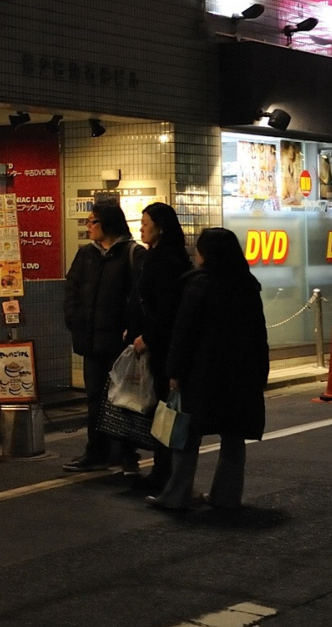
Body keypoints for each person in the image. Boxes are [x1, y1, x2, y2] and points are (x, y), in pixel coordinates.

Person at [146, 227, 269, 512]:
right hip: (240, 373)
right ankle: (226, 497)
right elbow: (258, 334)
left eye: (199, 248)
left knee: (187, 434)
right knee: (233, 435)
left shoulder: (198, 284)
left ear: (206, 253)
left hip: (202, 374)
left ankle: (176, 495)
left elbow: (184, 331)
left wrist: (175, 370)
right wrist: (260, 371)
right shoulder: (247, 284)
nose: (195, 253)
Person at [63, 201, 144, 474]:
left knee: (124, 400)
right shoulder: (86, 254)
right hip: (91, 342)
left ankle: (125, 453)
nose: (88, 226)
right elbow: (71, 289)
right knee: (95, 399)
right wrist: (74, 320)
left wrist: (132, 329)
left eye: (92, 221)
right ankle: (96, 451)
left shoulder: (132, 254)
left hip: (121, 345)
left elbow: (141, 297)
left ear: (108, 223)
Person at [127, 203, 192, 490]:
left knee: (165, 409)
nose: (141, 228)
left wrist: (148, 336)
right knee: (159, 408)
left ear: (161, 227)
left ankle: (164, 474)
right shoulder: (156, 255)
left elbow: (167, 309)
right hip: (156, 342)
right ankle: (163, 471)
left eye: (145, 223)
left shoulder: (167, 260)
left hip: (164, 347)